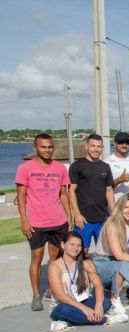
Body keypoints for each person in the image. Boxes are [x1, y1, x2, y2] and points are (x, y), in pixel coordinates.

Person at [16, 133, 72, 311]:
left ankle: (50, 289)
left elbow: (63, 193)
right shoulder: (25, 168)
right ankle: (36, 295)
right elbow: (21, 196)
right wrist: (24, 221)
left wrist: (68, 216)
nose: (47, 150)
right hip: (36, 223)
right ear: (35, 148)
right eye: (43, 147)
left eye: (49, 147)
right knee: (37, 259)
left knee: (55, 259)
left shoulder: (60, 168)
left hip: (58, 221)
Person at [48, 232, 128, 332]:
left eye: (78, 245)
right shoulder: (55, 266)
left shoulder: (86, 263)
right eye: (72, 244)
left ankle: (67, 322)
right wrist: (84, 309)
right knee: (65, 311)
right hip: (63, 305)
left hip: (83, 300)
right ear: (63, 245)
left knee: (106, 302)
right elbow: (60, 295)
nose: (75, 248)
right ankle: (107, 320)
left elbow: (98, 284)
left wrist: (98, 304)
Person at [68, 134, 115, 248]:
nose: (96, 149)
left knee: (105, 252)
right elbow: (71, 191)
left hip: (103, 219)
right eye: (93, 146)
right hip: (84, 220)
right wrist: (77, 214)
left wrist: (113, 213)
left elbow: (109, 190)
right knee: (81, 253)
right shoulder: (77, 166)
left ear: (102, 148)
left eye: (99, 146)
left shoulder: (105, 167)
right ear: (86, 147)